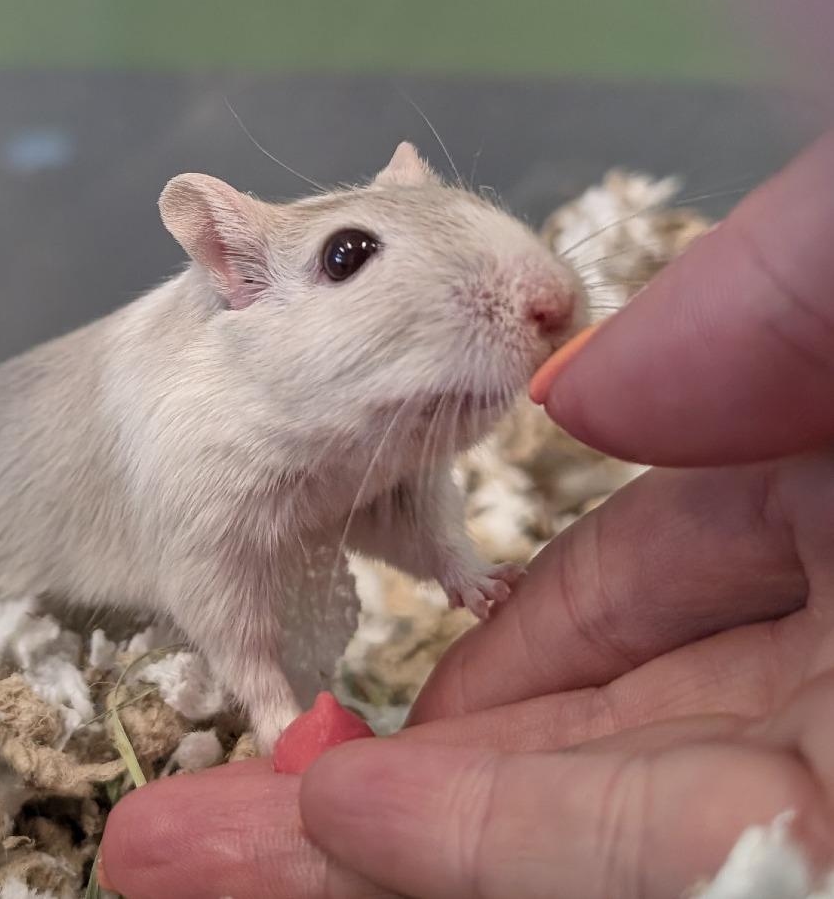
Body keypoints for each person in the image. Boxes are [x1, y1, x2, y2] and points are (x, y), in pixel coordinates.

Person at [98, 126, 834, 897]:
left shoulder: (389, 423)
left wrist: (456, 563)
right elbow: (212, 563)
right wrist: (267, 698)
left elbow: (399, 488)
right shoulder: (194, 424)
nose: (549, 303)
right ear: (233, 269)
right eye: (350, 258)